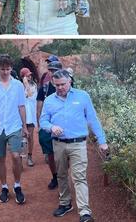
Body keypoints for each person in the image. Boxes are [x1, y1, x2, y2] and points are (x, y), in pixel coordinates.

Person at [40, 70, 108, 222]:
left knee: (79, 177)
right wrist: (51, 127)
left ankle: (84, 212)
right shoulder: (49, 100)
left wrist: (102, 140)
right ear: (53, 84)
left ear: (69, 81)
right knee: (61, 175)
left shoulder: (82, 96)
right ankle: (65, 203)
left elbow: (93, 119)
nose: (60, 87)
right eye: (57, 85)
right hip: (58, 144)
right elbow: (43, 121)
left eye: (63, 84)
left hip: (78, 143)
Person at [0, 54, 28, 205]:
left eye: (8, 69)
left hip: (14, 126)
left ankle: (17, 185)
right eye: (2, 69)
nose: (5, 72)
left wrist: (24, 126)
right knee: (0, 158)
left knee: (16, 156)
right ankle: (4, 187)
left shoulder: (18, 85)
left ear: (11, 68)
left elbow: (21, 106)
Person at [37, 60, 63, 189]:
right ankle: (55, 176)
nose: (52, 73)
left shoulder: (66, 85)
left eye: (55, 70)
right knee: (50, 155)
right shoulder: (45, 87)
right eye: (51, 70)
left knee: (64, 155)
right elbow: (39, 105)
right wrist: (40, 124)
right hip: (48, 126)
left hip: (63, 126)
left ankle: (62, 176)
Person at [19, 67, 37, 167]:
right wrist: (24, 84)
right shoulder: (18, 87)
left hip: (31, 115)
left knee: (30, 136)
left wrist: (26, 84)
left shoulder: (33, 86)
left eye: (30, 75)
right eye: (27, 75)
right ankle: (21, 158)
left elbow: (30, 95)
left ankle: (29, 156)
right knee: (22, 138)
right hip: (21, 116)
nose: (30, 76)